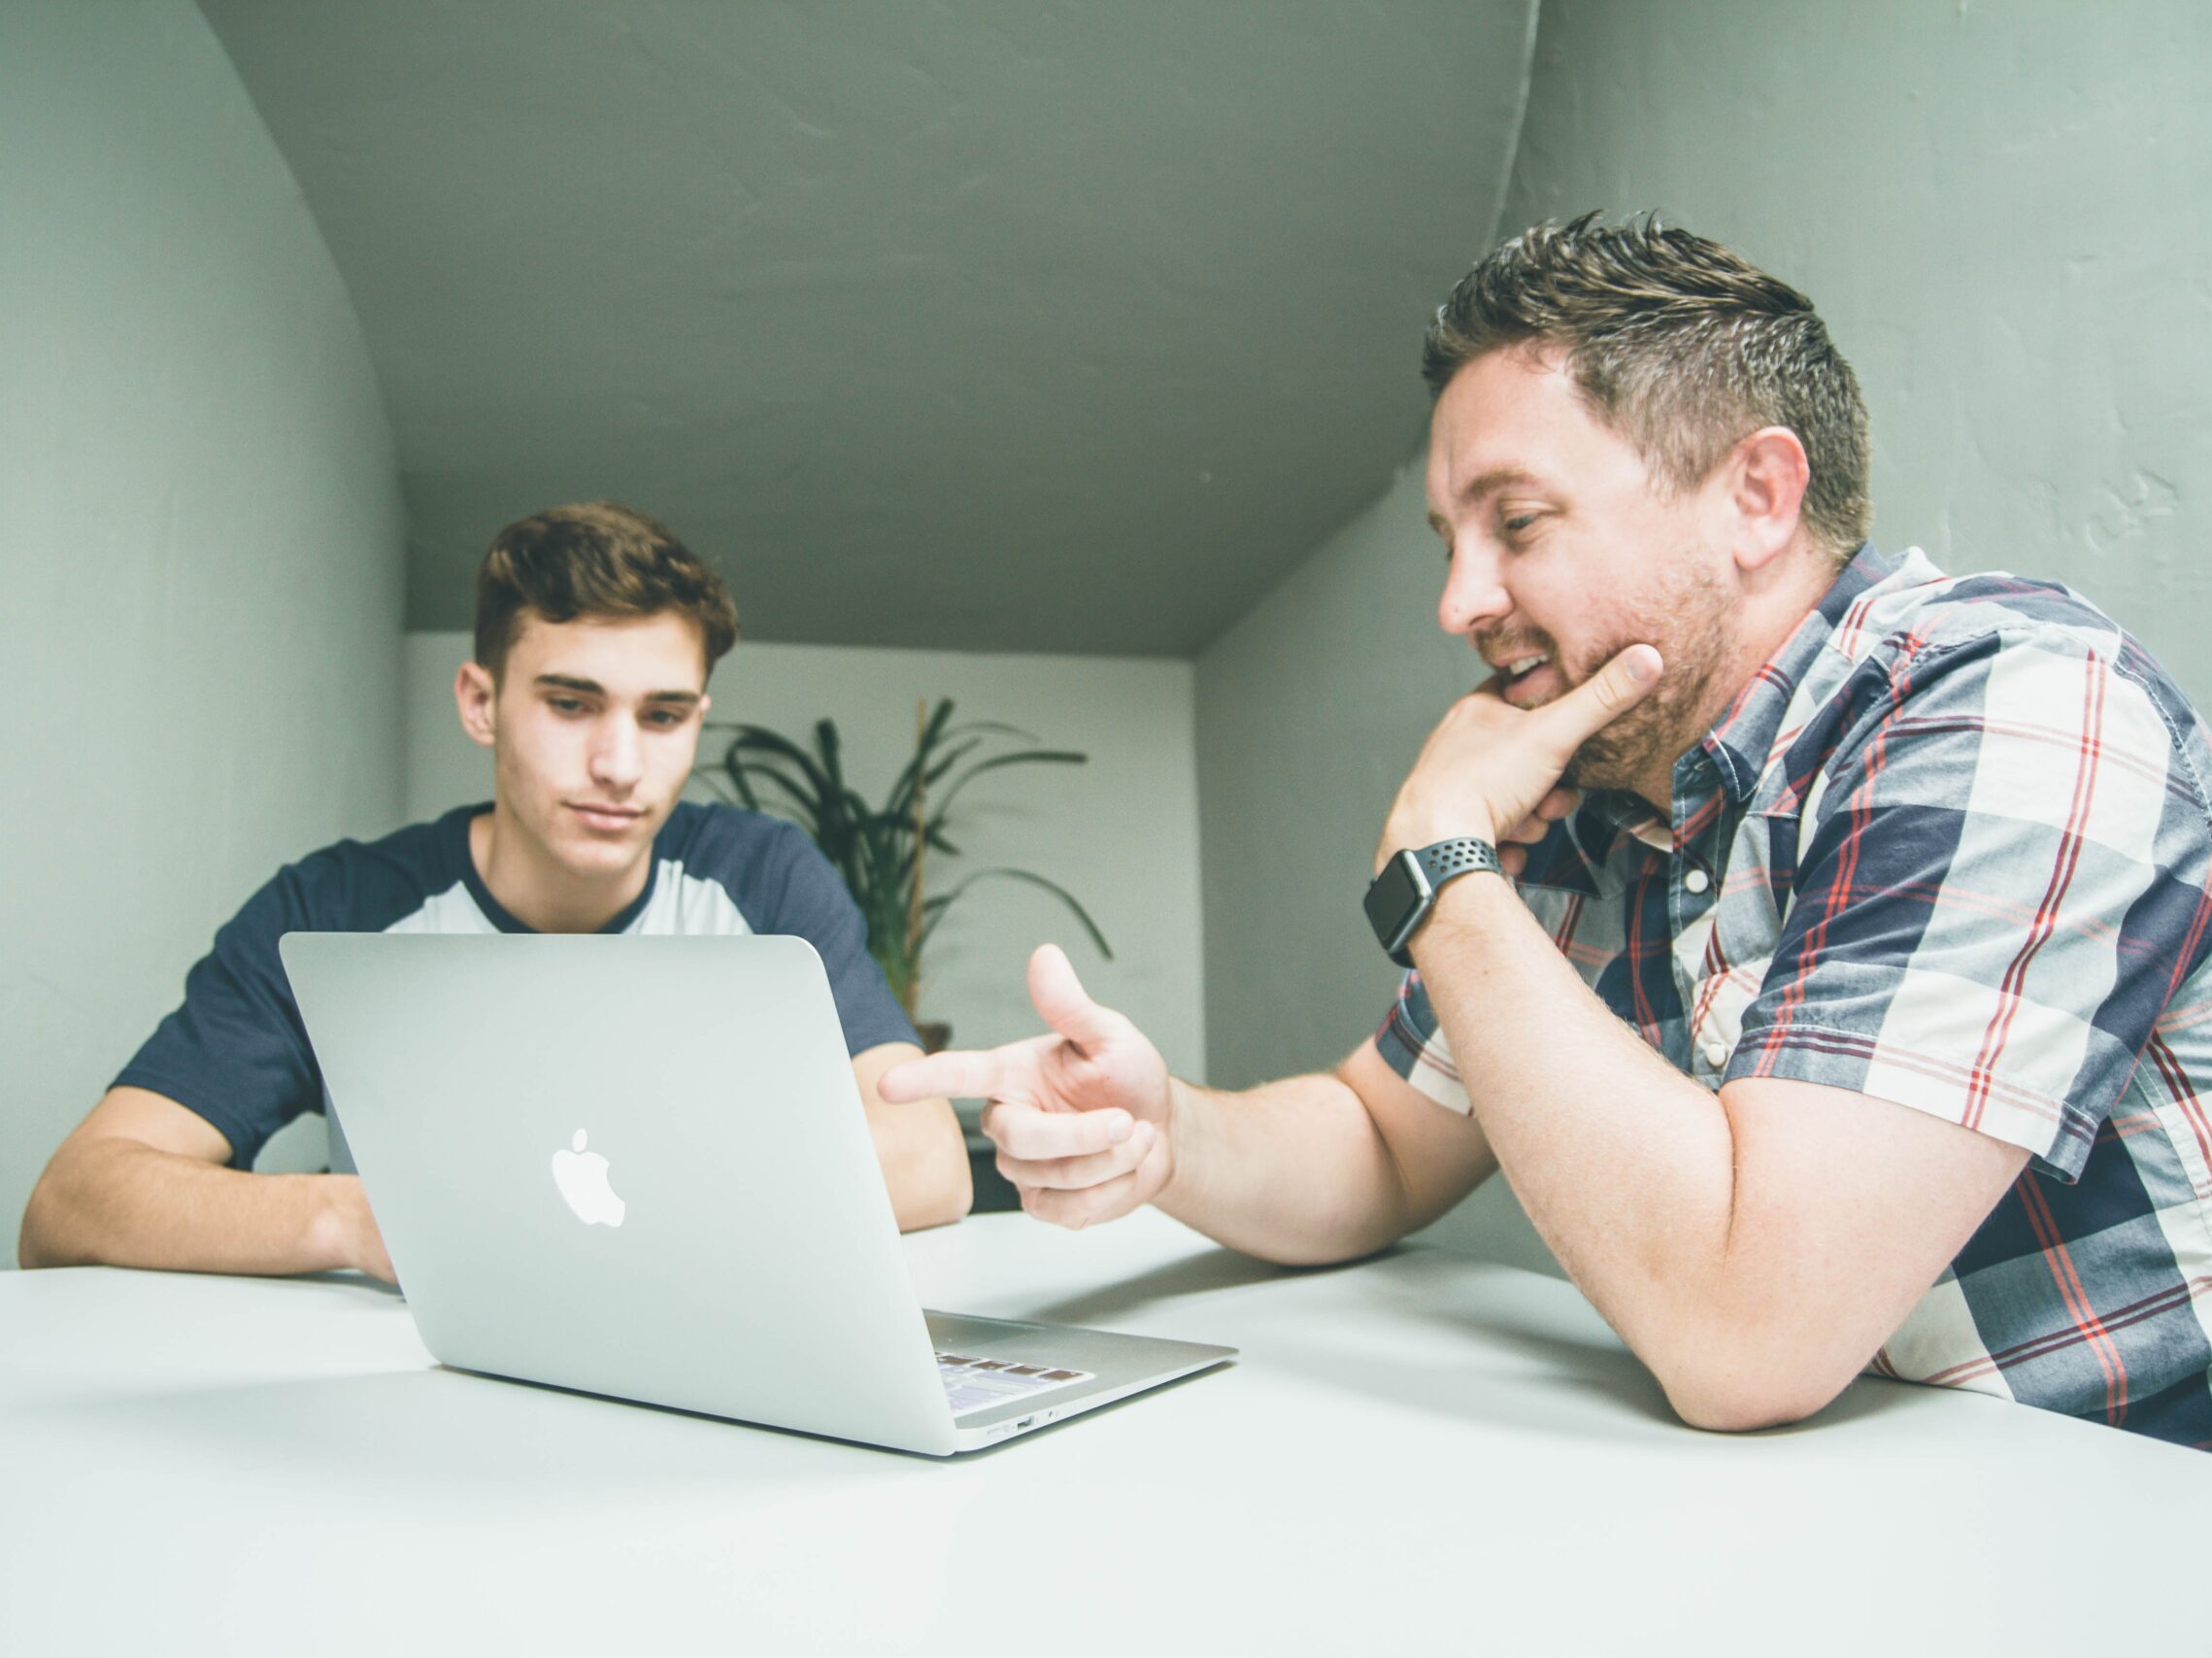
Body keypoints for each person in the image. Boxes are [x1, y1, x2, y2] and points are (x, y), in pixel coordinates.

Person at [883, 216, 2212, 1448]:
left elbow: (1748, 1334)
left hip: (2128, 1496)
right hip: (1844, 1498)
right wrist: (1167, 1126)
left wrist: (1438, 859)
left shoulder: (2013, 709)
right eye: (1449, 538)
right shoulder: (1607, 791)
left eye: (1515, 522)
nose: (1459, 598)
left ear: (1754, 494)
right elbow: (1379, 1136)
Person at [20, 501, 970, 1279]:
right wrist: (359, 1220)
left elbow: (928, 1163)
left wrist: (585, 1209)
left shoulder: (760, 878)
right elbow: (75, 1200)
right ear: (481, 702)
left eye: (663, 715)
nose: (619, 764)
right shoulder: (335, 910)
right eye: (570, 703)